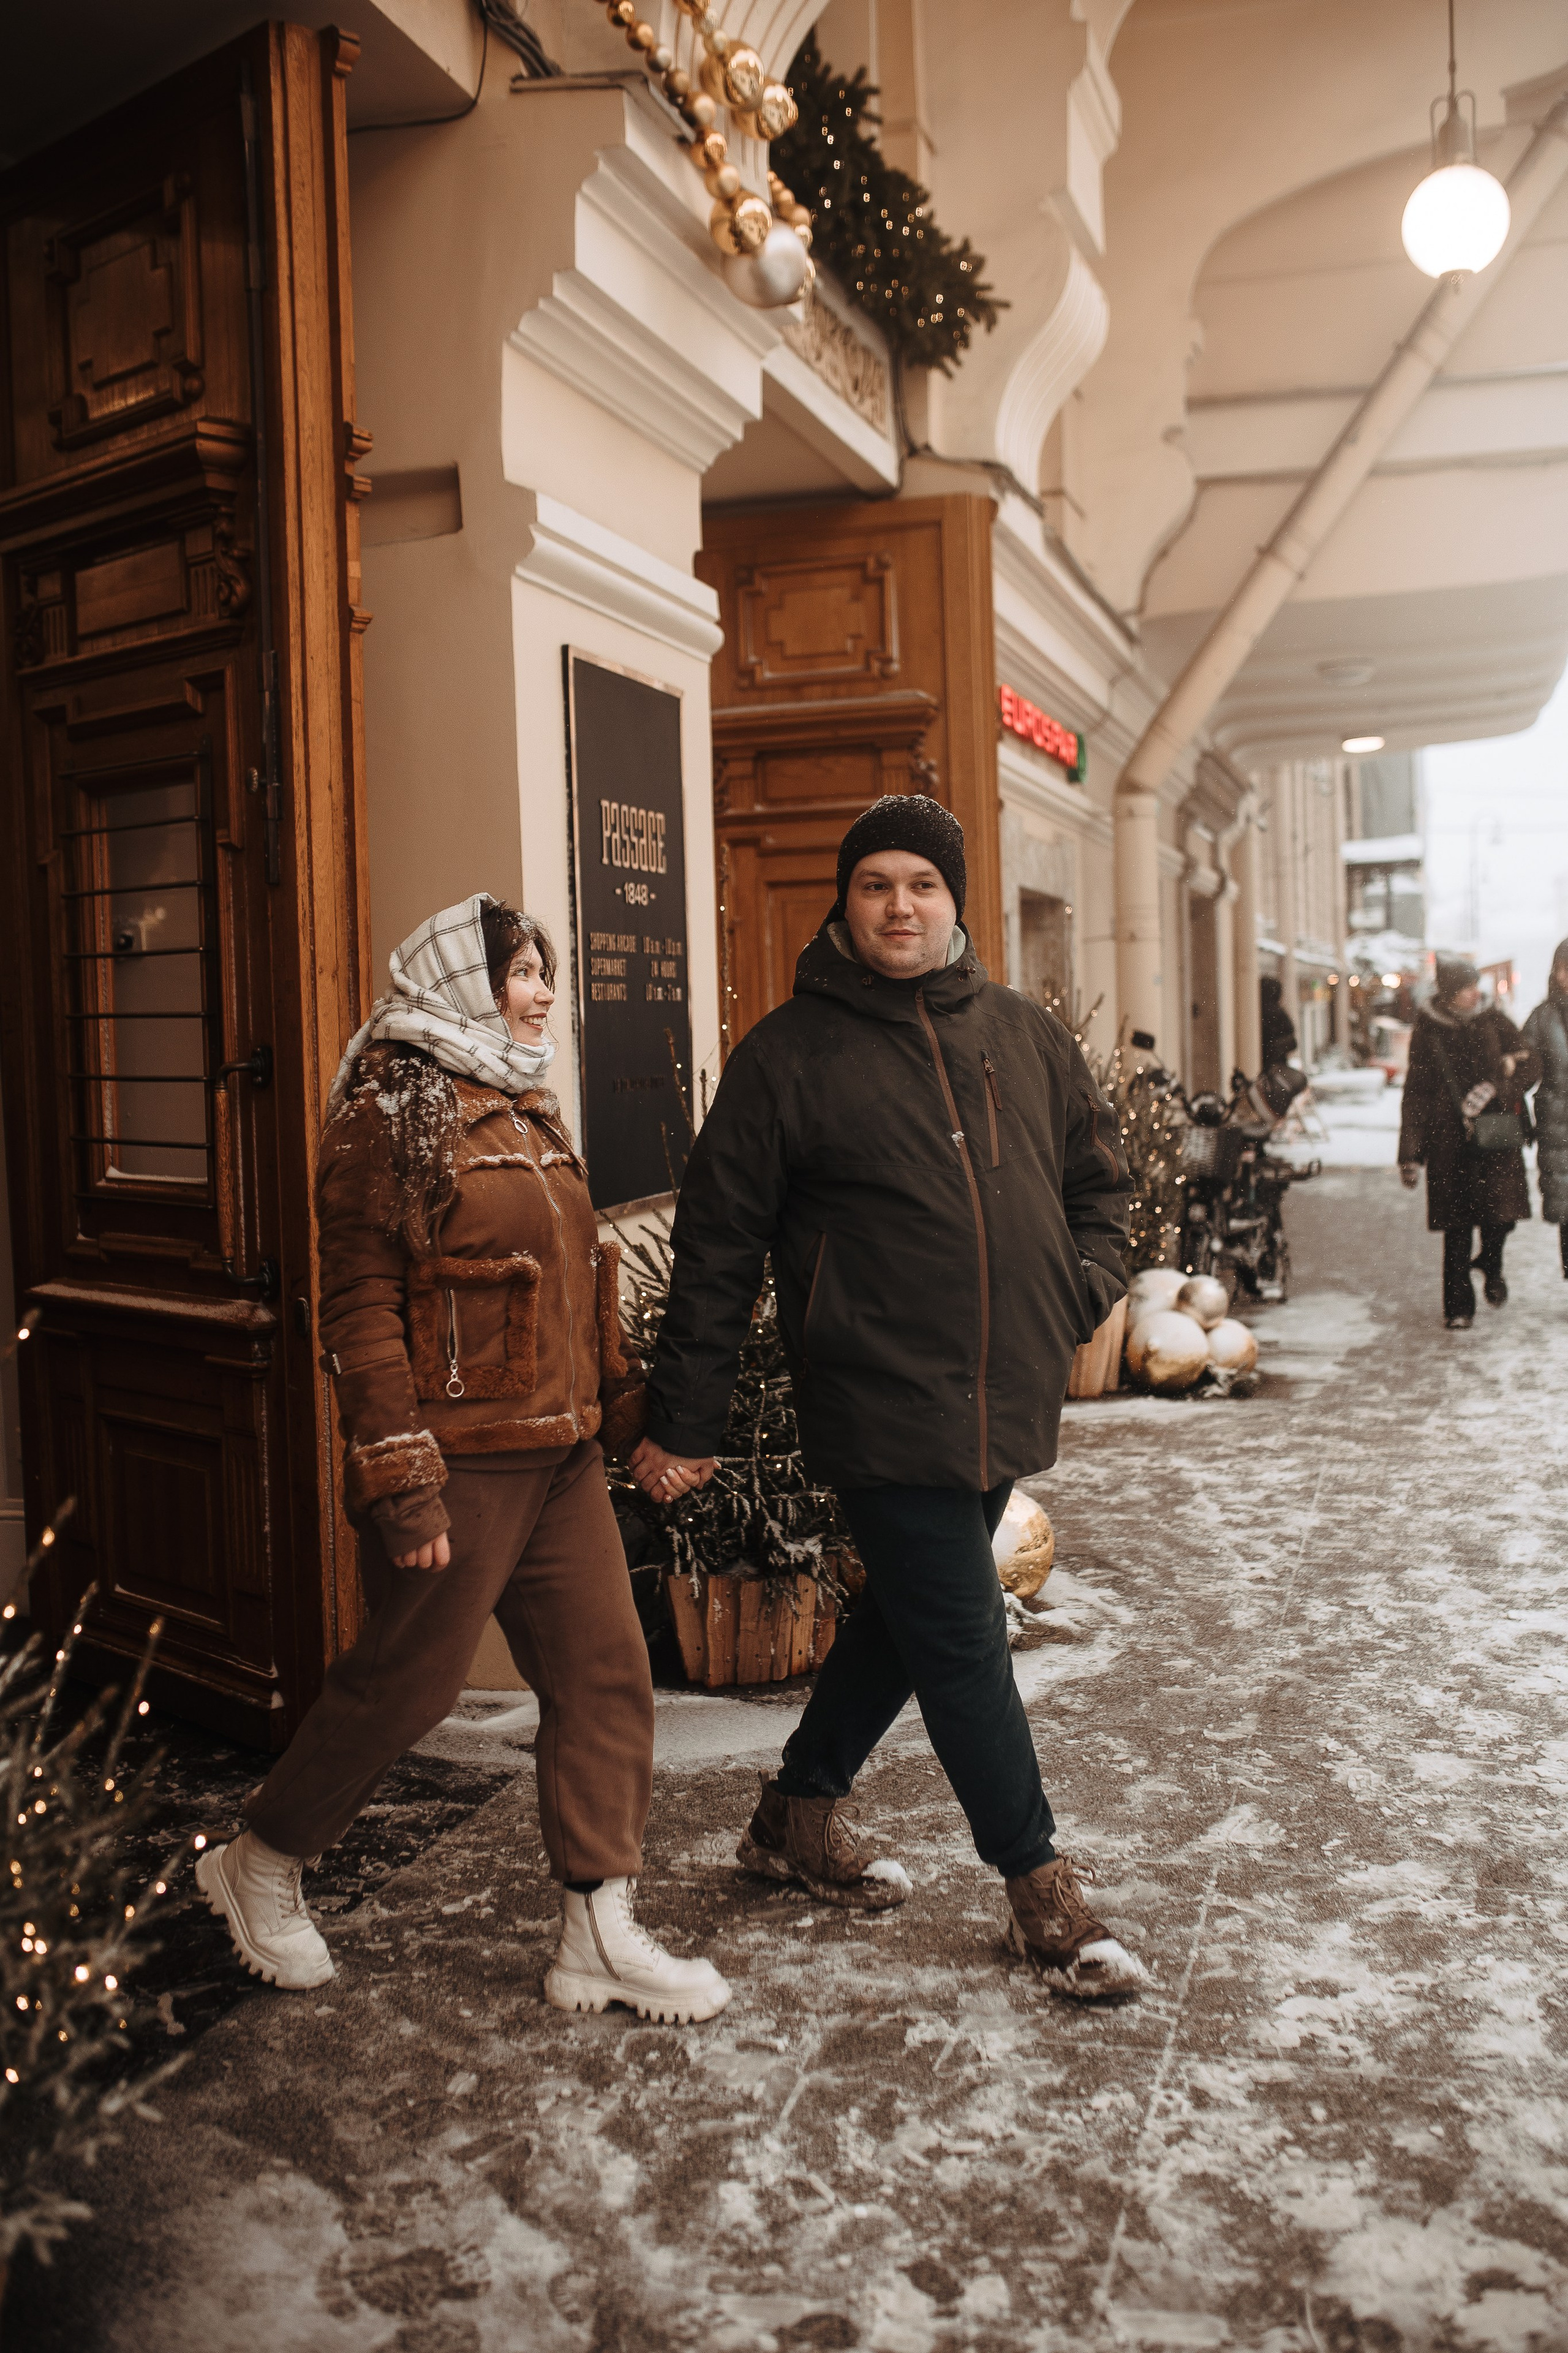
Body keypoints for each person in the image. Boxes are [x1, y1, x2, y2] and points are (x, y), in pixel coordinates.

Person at [628, 795, 1147, 2002]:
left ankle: (794, 1817)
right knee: (965, 1641)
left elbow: (1100, 1180)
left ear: (954, 899)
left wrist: (1074, 1292)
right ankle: (1040, 1894)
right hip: (878, 1397)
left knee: (905, 1623)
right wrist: (684, 1419)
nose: (898, 905)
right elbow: (715, 1246)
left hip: (1001, 1392)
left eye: (920, 882)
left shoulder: (1018, 1035)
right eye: (874, 884)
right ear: (843, 901)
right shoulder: (786, 1057)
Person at [198, 893, 729, 2024]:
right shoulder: (397, 1098)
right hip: (461, 1459)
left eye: (541, 971)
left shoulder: (524, 1103)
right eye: (514, 975)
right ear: (454, 981)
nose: (538, 993)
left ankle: (597, 1928)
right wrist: (402, 1474)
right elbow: (361, 1304)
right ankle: (261, 1860)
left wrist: (624, 1416)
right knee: (411, 1681)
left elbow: (579, 1280)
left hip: (560, 1456)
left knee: (604, 1674)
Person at [1398, 954, 1537, 1328]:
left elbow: (1531, 1062)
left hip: (1495, 1134)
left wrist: (1500, 1088)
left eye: (1476, 985)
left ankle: (1491, 1262)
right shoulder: (1429, 1029)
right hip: (1447, 1138)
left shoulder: (1493, 1019)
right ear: (1450, 993)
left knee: (1501, 1219)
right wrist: (1409, 1152)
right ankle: (1458, 1307)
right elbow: (1417, 1092)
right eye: (1467, 988)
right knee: (1456, 1227)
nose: (1476, 993)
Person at [1524, 939, 1568, 1280]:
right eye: (1562, 968)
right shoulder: (1543, 1017)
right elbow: (1525, 1066)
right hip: (1559, 1127)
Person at [1260, 975, 1298, 1071]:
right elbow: (1291, 1038)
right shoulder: (1278, 1013)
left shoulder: (1260, 1012)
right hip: (1276, 1066)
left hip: (1267, 1064)